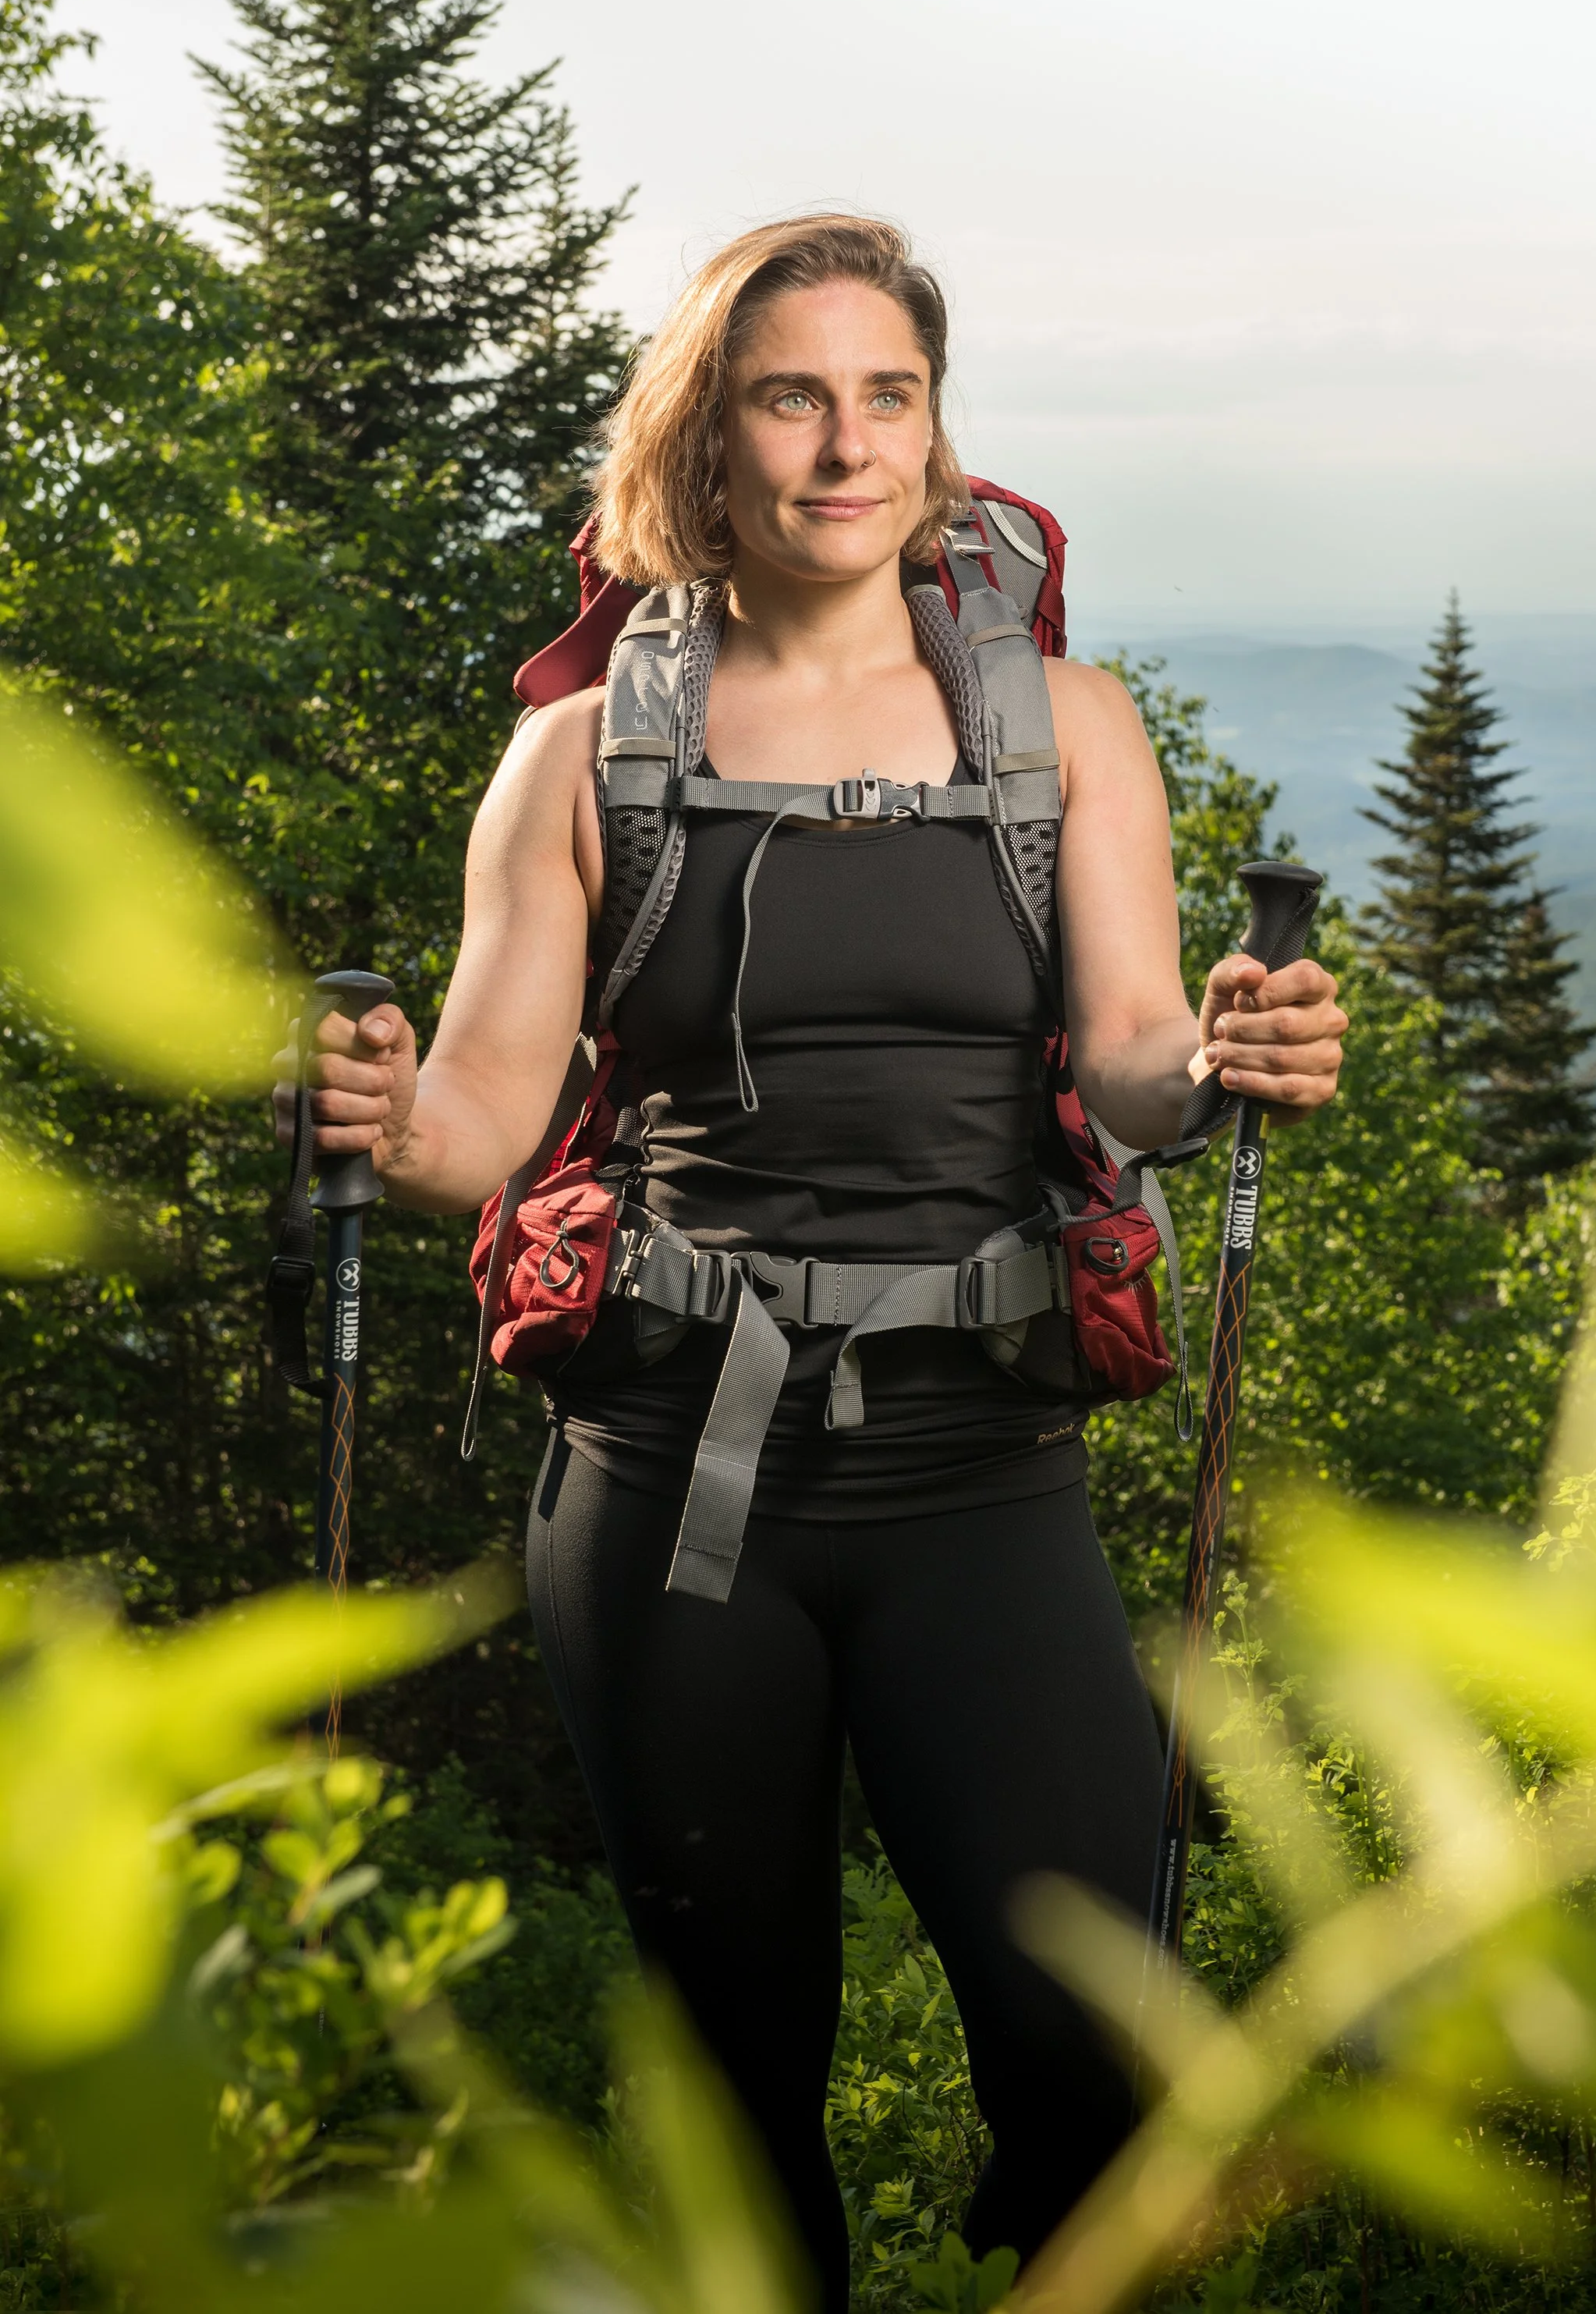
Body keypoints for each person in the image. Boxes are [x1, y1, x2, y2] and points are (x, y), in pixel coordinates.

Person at [301, 214, 1346, 2306]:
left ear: (937, 437)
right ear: (709, 435)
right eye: (793, 393)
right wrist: (385, 1119)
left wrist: (1230, 1055)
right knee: (733, 2077)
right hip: (675, 1477)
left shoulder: (1066, 724)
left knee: (1094, 2050)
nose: (844, 442)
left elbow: (1133, 1065)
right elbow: (488, 1126)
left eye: (888, 394)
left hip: (981, 1463)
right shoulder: (581, 754)